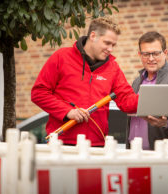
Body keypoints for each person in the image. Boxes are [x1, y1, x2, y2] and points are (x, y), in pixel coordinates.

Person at [31, 16, 138, 146]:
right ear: (93, 36)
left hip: (96, 145)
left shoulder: (113, 68)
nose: (110, 49)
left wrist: (150, 99)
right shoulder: (61, 58)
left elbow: (127, 100)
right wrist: (67, 111)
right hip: (62, 143)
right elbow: (39, 93)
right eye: (107, 43)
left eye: (113, 45)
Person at [126, 31, 168, 151]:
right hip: (135, 155)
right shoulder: (137, 82)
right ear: (139, 54)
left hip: (164, 156)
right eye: (146, 54)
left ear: (165, 53)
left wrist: (166, 123)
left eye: (156, 53)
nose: (151, 58)